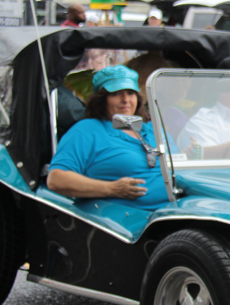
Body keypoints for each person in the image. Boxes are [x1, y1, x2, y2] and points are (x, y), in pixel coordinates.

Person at [47, 65, 169, 209]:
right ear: (102, 100)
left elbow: (181, 163)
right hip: (130, 221)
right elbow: (56, 179)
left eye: (130, 93)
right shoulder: (87, 130)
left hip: (177, 209)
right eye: (116, 93)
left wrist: (195, 152)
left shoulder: (152, 128)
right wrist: (111, 188)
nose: (125, 100)